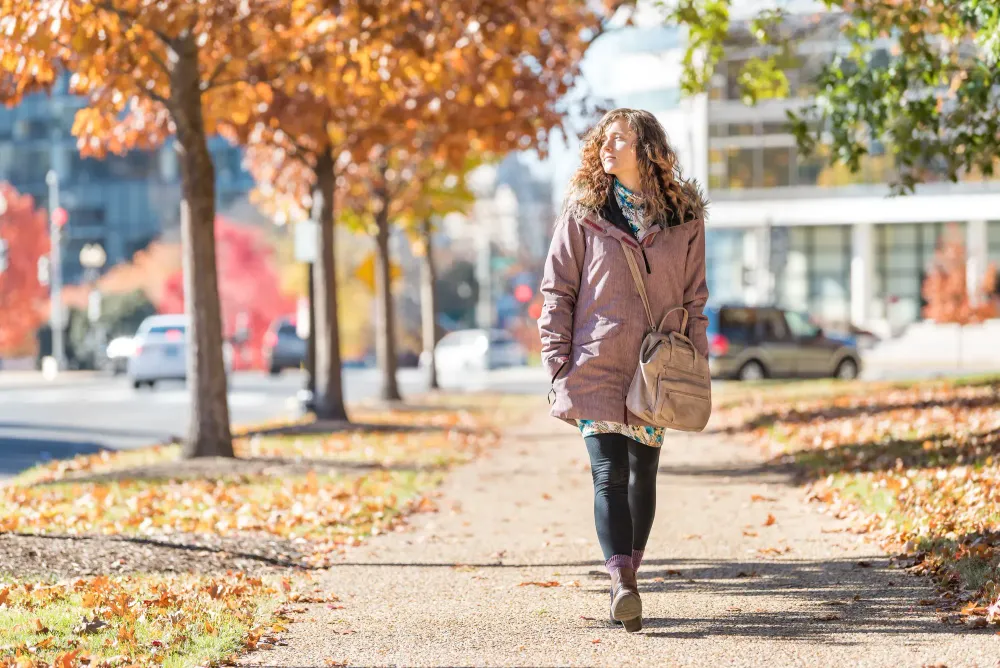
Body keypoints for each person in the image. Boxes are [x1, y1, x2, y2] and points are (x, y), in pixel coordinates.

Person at [537, 108, 709, 632]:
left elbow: (695, 298)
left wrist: (696, 363)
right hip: (595, 365)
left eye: (620, 140)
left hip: (656, 368)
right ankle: (623, 583)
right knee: (608, 472)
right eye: (604, 140)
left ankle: (629, 570)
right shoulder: (584, 214)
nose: (607, 148)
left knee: (644, 472)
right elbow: (557, 290)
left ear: (648, 150)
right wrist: (556, 359)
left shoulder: (684, 218)